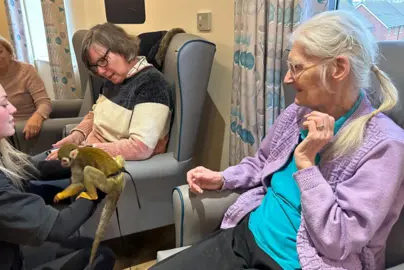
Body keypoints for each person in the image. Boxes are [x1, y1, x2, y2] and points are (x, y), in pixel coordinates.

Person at [151, 10, 404, 270]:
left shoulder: (384, 146)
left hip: (298, 262)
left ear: (339, 68)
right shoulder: (299, 111)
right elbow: (262, 162)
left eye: (297, 67)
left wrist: (306, 164)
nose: (287, 78)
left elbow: (338, 242)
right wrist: (224, 178)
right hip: (246, 236)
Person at [0, 59, 115, 270]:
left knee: (85, 246)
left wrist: (78, 159)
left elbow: (27, 169)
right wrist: (96, 188)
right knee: (100, 257)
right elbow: (59, 227)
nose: (13, 108)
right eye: (3, 103)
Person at [44, 22, 173, 162]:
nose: (100, 71)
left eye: (103, 60)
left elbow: (140, 148)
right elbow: (96, 114)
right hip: (87, 153)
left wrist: (83, 152)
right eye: (95, 66)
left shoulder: (151, 83)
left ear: (121, 46)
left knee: (29, 177)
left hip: (102, 166)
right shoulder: (113, 81)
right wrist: (78, 135)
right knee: (27, 168)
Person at [0, 29, 52, 141]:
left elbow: (44, 102)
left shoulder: (26, 70)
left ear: (7, 50)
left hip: (25, 129)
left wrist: (37, 116)